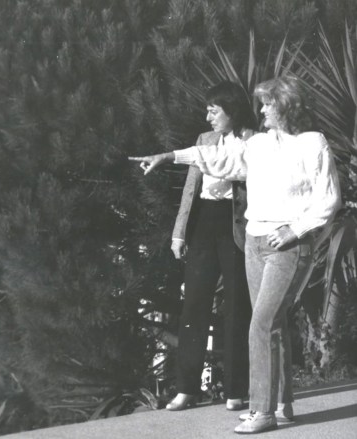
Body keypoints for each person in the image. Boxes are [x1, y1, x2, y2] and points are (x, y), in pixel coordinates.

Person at [129, 75, 341, 434]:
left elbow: (329, 199)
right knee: (271, 326)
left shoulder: (311, 143)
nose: (260, 110)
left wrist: (295, 229)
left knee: (261, 323)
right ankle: (282, 404)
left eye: (267, 104)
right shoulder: (257, 145)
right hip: (254, 243)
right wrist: (168, 157)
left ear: (285, 105)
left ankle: (262, 411)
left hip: (287, 245)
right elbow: (215, 157)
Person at [165, 81, 254, 413]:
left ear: (231, 110)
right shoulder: (204, 141)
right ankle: (186, 389)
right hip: (203, 225)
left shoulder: (255, 141)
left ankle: (236, 390)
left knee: (236, 309)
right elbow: (190, 189)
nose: (208, 117)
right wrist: (179, 233)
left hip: (237, 227)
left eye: (214, 111)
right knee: (193, 307)